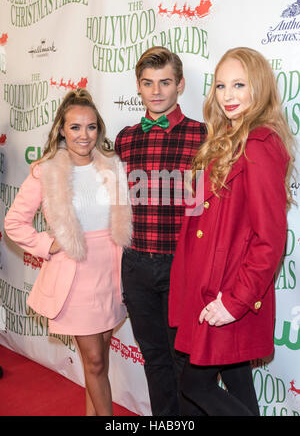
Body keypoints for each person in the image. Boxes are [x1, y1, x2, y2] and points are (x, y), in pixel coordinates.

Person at [168, 46, 295, 416]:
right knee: (237, 381)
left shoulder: (259, 145)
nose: (228, 96)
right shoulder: (224, 140)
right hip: (207, 286)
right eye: (221, 86)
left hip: (229, 292)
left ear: (259, 87)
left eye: (239, 85)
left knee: (194, 385)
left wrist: (234, 301)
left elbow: (270, 240)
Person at [4, 89, 132, 416]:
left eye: (90, 127)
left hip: (112, 272)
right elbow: (14, 222)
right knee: (96, 361)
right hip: (76, 276)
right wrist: (48, 243)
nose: (83, 135)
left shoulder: (113, 166)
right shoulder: (46, 171)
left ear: (98, 129)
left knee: (97, 364)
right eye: (75, 127)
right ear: (62, 128)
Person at [115, 46, 207, 416]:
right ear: (138, 86)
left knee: (185, 363)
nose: (156, 91)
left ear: (180, 85)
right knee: (154, 359)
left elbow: (210, 208)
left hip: (181, 266)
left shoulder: (203, 136)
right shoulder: (124, 138)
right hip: (135, 265)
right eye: (148, 83)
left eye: (165, 82)